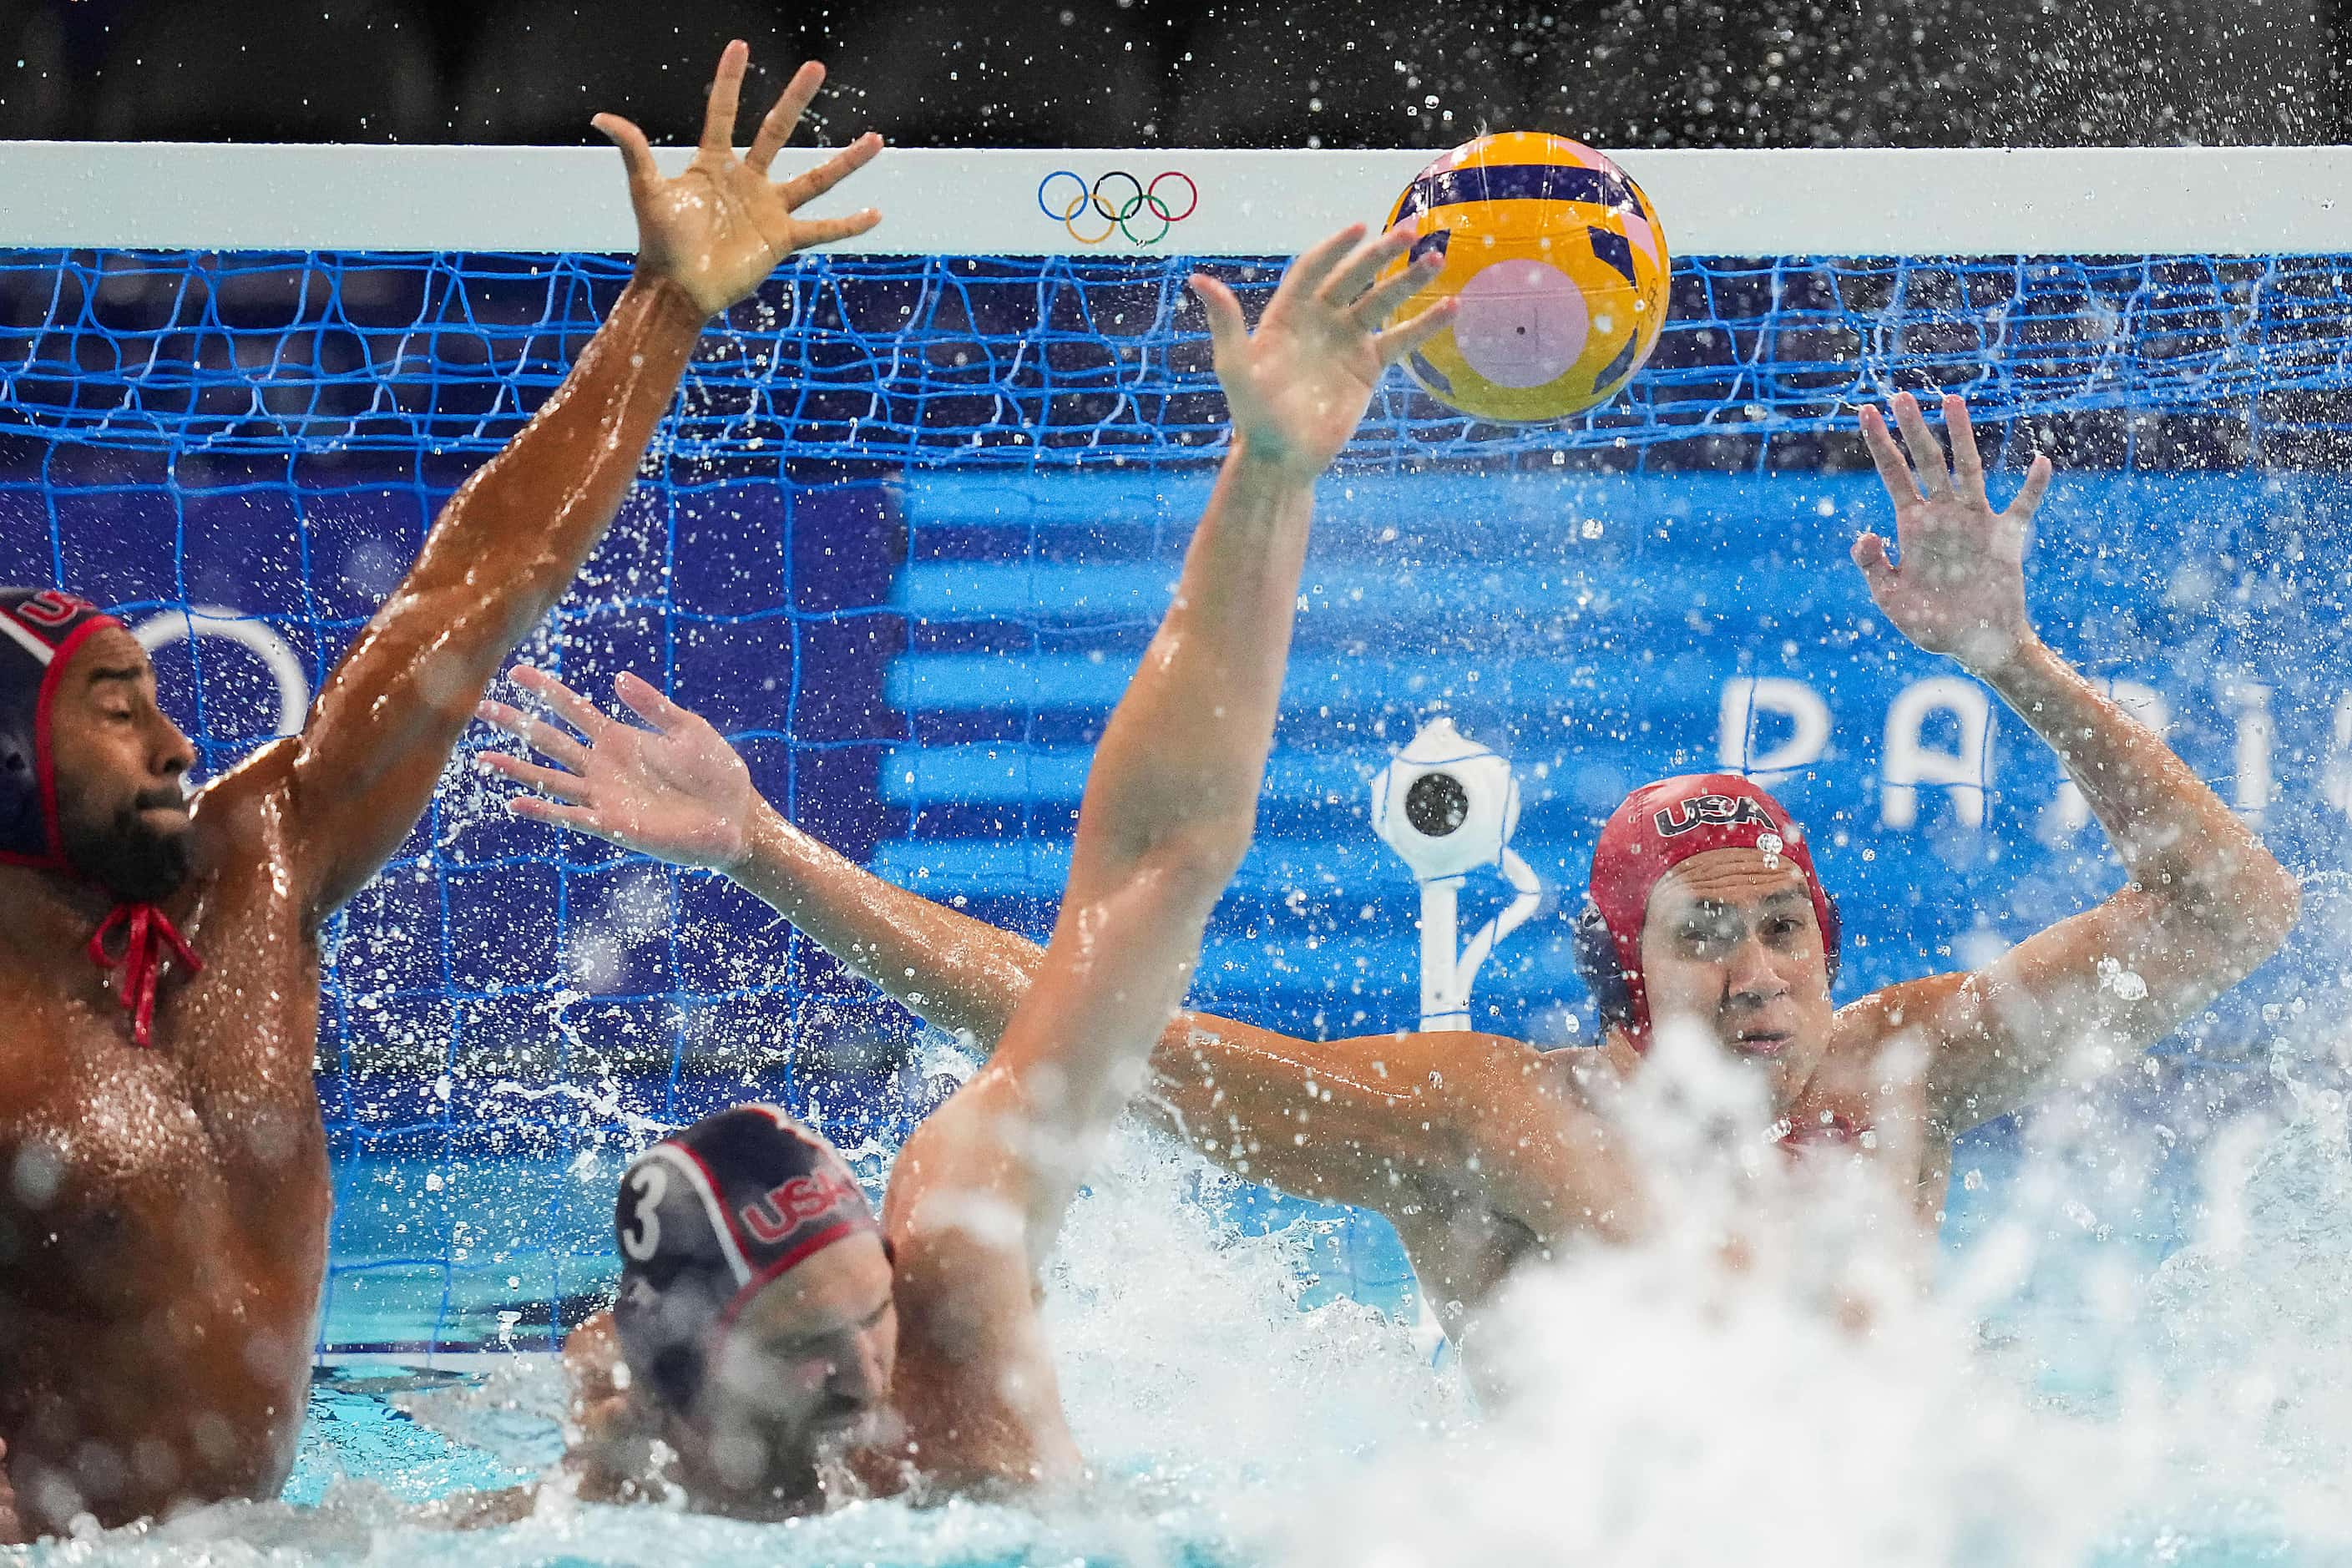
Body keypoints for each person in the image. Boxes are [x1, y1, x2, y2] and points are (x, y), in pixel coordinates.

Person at [487, 377, 2298, 1374]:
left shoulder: (1907, 1069)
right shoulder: (1486, 1116)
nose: (1755, 973)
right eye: (1702, 939)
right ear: (1623, 971)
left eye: (1778, 932)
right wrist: (766, 850)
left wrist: (2017, 666)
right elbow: (1103, 1036)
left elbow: (2236, 915)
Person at [0, 43, 882, 1539]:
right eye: (113, 708)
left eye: (158, 700)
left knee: (664, 1490)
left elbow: (469, 596)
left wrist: (667, 308)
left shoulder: (260, 861)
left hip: (277, 1535)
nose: (172, 741)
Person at [488, 221, 1454, 1516]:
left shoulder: (952, 1278)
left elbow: (1158, 861)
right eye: (801, 1345)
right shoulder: (621, 1464)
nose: (860, 1374)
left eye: (865, 1312)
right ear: (680, 1362)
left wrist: (1271, 472)